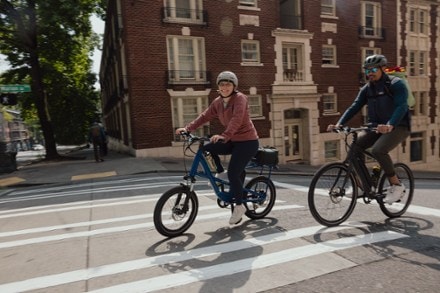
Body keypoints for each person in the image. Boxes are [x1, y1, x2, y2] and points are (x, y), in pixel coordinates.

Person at [175, 71, 259, 224]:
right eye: (222, 84)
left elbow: (237, 119)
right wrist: (187, 129)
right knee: (207, 148)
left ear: (234, 86)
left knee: (234, 173)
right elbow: (205, 116)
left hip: (247, 142)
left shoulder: (240, 99)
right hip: (232, 140)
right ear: (218, 87)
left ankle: (240, 207)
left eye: (228, 84)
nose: (224, 87)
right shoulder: (218, 102)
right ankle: (220, 173)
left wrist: (224, 135)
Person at [327, 54, 411, 204]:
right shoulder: (367, 89)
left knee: (378, 150)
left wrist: (390, 124)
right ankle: (362, 186)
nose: (370, 73)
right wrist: (339, 123)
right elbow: (355, 106)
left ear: (382, 69)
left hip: (398, 126)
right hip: (375, 126)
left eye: (373, 69)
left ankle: (396, 185)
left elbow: (401, 106)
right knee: (354, 150)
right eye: (367, 70)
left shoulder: (396, 84)